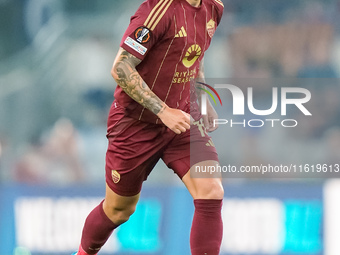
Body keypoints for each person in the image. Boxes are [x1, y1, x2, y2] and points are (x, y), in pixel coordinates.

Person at [74, 0, 224, 254]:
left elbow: (194, 54)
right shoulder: (158, 11)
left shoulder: (214, 8)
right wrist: (163, 111)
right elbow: (120, 67)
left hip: (181, 118)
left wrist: (202, 98)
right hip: (135, 124)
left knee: (211, 189)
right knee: (119, 209)